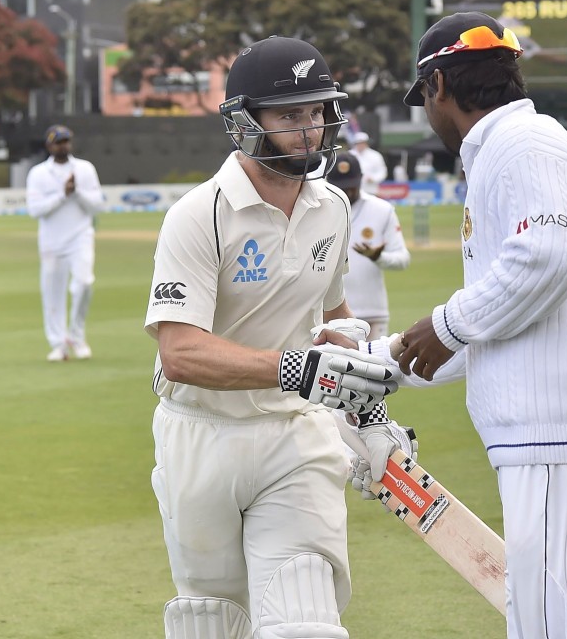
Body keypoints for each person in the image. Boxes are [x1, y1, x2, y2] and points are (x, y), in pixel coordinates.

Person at [143, 35, 415, 639]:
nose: (309, 129)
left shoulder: (333, 208)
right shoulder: (199, 214)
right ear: (245, 122)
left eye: (317, 112)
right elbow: (180, 352)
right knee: (213, 621)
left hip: (296, 435)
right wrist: (300, 369)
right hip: (200, 437)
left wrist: (363, 413)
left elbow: (333, 314)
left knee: (305, 620)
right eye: (290, 115)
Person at [393, 12, 567, 639]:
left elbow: (553, 257)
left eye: (424, 99)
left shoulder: (523, 145)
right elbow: (495, 320)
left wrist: (446, 324)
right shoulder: (507, 150)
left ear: (438, 87)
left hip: (557, 435)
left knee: (544, 628)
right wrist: (381, 364)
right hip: (559, 436)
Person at [25, 124, 105, 361]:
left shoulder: (84, 169)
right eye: (59, 142)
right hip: (51, 242)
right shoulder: (38, 173)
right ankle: (59, 344)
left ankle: (77, 337)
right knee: (52, 294)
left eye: (66, 141)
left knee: (84, 283)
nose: (64, 146)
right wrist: (62, 194)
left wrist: (76, 192)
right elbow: (35, 210)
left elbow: (98, 205)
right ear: (49, 145)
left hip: (80, 236)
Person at [326, 151, 410, 340]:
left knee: (373, 369)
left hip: (372, 313)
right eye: (341, 187)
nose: (347, 192)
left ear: (361, 180)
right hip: (329, 315)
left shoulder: (382, 210)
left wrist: (378, 258)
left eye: (351, 187)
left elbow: (402, 259)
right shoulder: (316, 208)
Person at [348, 131, 387, 197]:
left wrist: (374, 178)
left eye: (363, 143)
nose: (361, 145)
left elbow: (382, 171)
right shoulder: (349, 155)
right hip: (353, 189)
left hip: (370, 189)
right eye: (359, 143)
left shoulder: (375, 155)